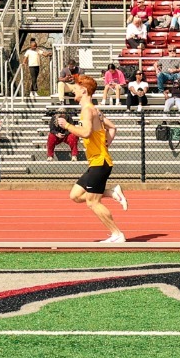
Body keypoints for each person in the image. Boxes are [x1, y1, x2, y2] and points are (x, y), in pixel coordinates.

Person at [62, 74, 128, 244]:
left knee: (92, 202)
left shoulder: (87, 110)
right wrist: (106, 143)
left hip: (100, 162)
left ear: (84, 91)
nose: (73, 91)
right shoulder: (94, 110)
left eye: (75, 89)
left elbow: (85, 133)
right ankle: (111, 192)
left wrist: (67, 125)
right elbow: (112, 128)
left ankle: (117, 234)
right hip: (97, 161)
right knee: (75, 195)